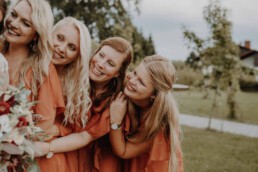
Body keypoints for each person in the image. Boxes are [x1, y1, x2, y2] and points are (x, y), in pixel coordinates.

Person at [35, 36, 133, 172]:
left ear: (117, 73)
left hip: (83, 152)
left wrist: (47, 148)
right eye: (101, 55)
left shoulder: (113, 102)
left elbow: (84, 137)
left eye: (110, 63)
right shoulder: (76, 75)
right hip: (57, 136)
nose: (100, 64)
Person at [1, 0, 66, 171]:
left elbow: (43, 125)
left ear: (36, 34)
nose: (14, 23)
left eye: (25, 23)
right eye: (14, 15)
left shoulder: (42, 69)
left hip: (12, 158)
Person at [109, 55, 184, 172]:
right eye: (134, 73)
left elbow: (123, 151)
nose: (132, 80)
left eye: (141, 82)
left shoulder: (159, 126)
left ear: (154, 95)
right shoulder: (132, 93)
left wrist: (115, 121)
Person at [50, 16, 92, 172]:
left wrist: (56, 130)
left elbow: (76, 128)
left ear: (77, 55)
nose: (61, 48)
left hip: (56, 150)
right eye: (59, 38)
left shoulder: (76, 85)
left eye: (72, 47)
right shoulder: (28, 63)